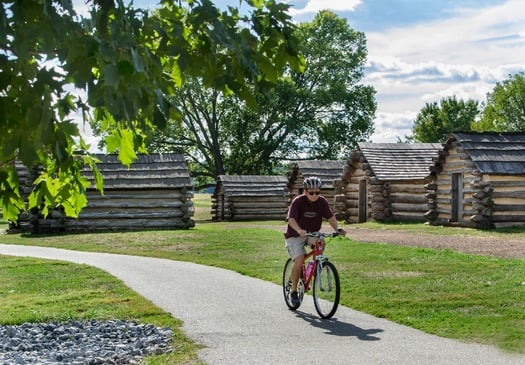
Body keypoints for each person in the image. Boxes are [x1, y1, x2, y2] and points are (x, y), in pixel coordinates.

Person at [284, 176, 346, 306]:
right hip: (295, 235)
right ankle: (294, 291)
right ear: (305, 191)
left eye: (317, 192)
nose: (314, 195)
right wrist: (299, 230)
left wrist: (338, 228)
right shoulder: (298, 201)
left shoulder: (321, 202)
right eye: (311, 192)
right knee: (300, 259)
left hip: (312, 234)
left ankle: (314, 267)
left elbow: (330, 217)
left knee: (321, 243)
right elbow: (291, 219)